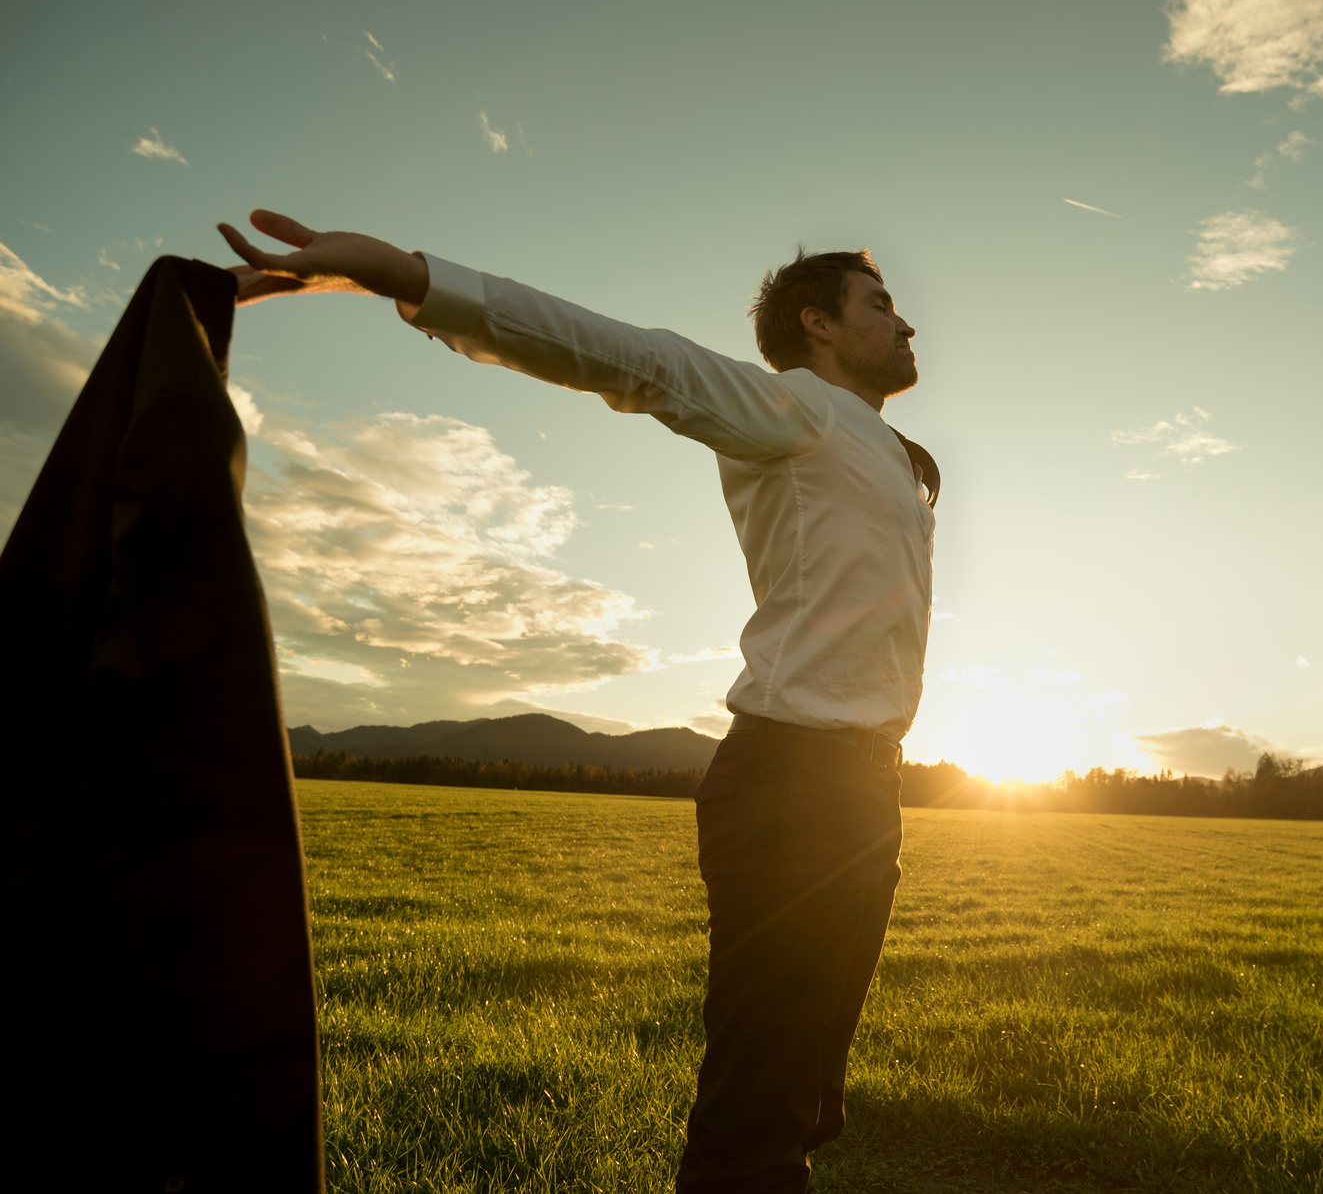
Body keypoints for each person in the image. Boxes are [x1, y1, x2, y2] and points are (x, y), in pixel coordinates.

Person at [219, 211, 938, 1193]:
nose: (906, 324)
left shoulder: (885, 451)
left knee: (809, 1092)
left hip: (862, 791)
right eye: (880, 304)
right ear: (815, 325)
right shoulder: (795, 406)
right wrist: (405, 275)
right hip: (792, 786)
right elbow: (631, 357)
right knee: (759, 1105)